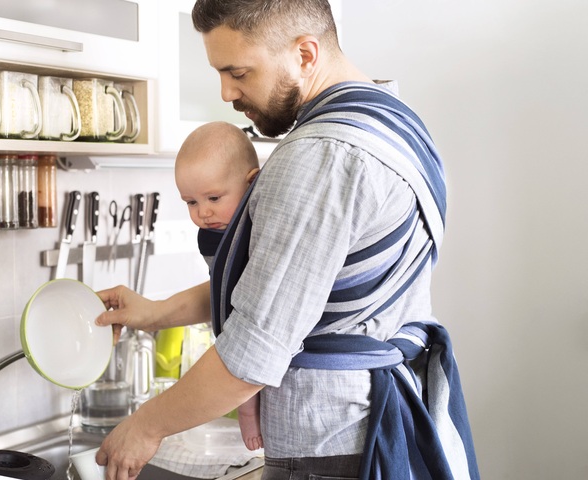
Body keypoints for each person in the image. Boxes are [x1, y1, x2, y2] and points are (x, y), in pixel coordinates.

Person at [94, 1, 480, 480]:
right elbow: (288, 288)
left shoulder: (319, 157)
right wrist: (154, 313)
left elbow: (252, 355)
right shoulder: (396, 123)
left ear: (304, 53)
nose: (226, 92)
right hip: (378, 421)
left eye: (238, 72)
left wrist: (146, 425)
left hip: (332, 445)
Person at [175, 121, 262, 451]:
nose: (203, 213)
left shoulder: (259, 224)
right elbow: (219, 282)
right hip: (229, 324)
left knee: (248, 376)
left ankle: (249, 413)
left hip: (254, 328)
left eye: (213, 197)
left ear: (252, 183)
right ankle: (247, 409)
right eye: (191, 202)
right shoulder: (210, 234)